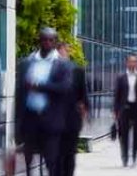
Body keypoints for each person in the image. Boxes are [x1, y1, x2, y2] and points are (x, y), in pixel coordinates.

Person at [15, 27, 73, 176]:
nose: (47, 42)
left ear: (55, 42)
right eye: (44, 39)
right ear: (39, 40)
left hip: (52, 121)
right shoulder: (27, 63)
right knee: (28, 161)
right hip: (30, 119)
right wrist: (17, 125)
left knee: (51, 160)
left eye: (50, 39)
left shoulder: (63, 64)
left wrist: (39, 86)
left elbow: (65, 88)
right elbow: (20, 94)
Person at [57, 42, 89, 176]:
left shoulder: (77, 70)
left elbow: (83, 96)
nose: (66, 53)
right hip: (54, 120)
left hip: (71, 121)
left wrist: (83, 115)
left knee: (69, 154)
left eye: (67, 50)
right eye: (64, 50)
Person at [113, 54, 137, 167]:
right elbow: (117, 95)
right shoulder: (121, 77)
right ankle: (125, 157)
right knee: (123, 135)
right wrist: (115, 110)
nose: (133, 64)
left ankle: (134, 157)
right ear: (127, 63)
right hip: (124, 108)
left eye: (135, 62)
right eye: (131, 62)